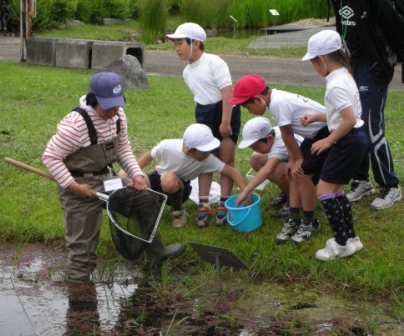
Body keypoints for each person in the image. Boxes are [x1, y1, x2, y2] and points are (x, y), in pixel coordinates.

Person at [42, 71, 183, 281]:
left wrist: (135, 175)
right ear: (94, 99)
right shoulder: (75, 126)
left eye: (117, 105)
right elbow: (51, 157)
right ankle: (79, 288)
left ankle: (155, 252)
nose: (114, 111)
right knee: (83, 242)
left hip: (107, 178)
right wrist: (73, 186)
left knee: (144, 199)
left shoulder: (118, 116)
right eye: (108, 107)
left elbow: (123, 149)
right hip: (78, 183)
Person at [229, 75, 330, 245]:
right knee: (294, 174)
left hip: (326, 132)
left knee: (302, 174)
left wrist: (297, 158)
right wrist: (292, 158)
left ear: (257, 99)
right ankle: (294, 218)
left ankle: (310, 222)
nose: (250, 112)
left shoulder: (277, 103)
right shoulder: (274, 101)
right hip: (314, 135)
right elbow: (287, 134)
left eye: (248, 107)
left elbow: (287, 133)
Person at [166, 22, 241, 228]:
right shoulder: (187, 72)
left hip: (224, 110)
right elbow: (200, 96)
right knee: (204, 158)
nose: (177, 48)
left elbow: (228, 92)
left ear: (195, 43)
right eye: (175, 44)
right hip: (204, 113)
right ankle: (204, 203)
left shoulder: (214, 62)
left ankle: (224, 202)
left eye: (180, 43)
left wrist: (225, 122)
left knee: (226, 158)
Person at [301, 29, 368, 260]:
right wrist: (318, 117)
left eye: (312, 63)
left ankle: (340, 244)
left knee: (324, 192)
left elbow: (347, 120)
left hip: (346, 141)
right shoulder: (345, 74)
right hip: (355, 138)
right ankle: (350, 239)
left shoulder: (335, 85)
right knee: (337, 191)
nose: (314, 68)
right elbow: (341, 114)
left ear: (321, 59)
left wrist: (328, 140)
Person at [330, 0, 403, 209]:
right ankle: (362, 180)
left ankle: (391, 186)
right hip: (351, 66)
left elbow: (396, 29)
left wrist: (385, 64)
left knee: (372, 128)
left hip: (373, 67)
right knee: (353, 124)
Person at [120, 123, 251, 228]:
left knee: (168, 178)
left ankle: (177, 212)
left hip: (179, 187)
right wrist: (128, 173)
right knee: (132, 179)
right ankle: (147, 208)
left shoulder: (207, 159)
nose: (209, 153)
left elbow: (232, 172)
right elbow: (148, 156)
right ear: (189, 149)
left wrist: (246, 192)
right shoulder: (168, 147)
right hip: (156, 179)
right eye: (205, 151)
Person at [235, 117, 303, 220]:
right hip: (291, 161)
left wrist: (246, 191)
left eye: (257, 147)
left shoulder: (280, 145)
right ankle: (286, 191)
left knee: (277, 171)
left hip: (306, 169)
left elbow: (267, 170)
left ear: (270, 139)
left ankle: (295, 198)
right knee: (255, 159)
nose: (257, 150)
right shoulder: (272, 134)